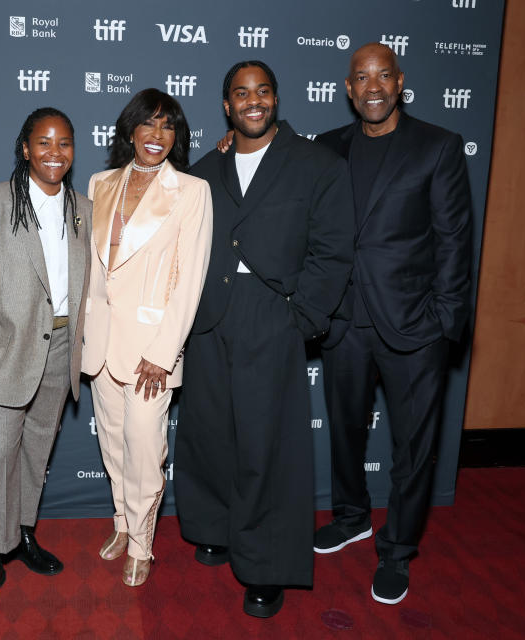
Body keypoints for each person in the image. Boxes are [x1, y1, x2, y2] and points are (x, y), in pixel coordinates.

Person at [174, 60, 354, 618]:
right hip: (210, 315)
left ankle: (267, 564)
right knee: (209, 432)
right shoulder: (205, 169)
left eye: (263, 92)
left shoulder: (317, 165)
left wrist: (301, 318)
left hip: (272, 314)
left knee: (267, 445)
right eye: (241, 94)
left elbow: (333, 250)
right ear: (226, 106)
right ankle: (216, 527)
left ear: (276, 99)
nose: (253, 102)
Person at [312, 42, 473, 605]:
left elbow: (455, 241)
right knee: (345, 430)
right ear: (349, 88)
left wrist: (444, 323)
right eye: (362, 77)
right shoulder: (328, 148)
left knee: (411, 447)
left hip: (414, 328)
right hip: (346, 323)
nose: (373, 86)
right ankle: (352, 516)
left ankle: (398, 549)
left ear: (399, 82)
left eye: (384, 75)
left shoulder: (438, 146)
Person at [0, 107, 91, 618]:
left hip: (61, 350)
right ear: (25, 148)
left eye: (65, 143)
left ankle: (23, 533)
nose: (55, 152)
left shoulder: (83, 209)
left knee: (34, 454)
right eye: (44, 143)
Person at [82, 89, 212, 587]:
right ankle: (121, 523)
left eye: (168, 127)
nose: (157, 136)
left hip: (150, 349)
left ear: (176, 138)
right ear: (130, 130)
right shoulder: (100, 182)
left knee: (143, 444)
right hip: (101, 341)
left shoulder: (192, 191)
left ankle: (142, 541)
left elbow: (191, 277)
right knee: (113, 444)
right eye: (148, 125)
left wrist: (164, 352)